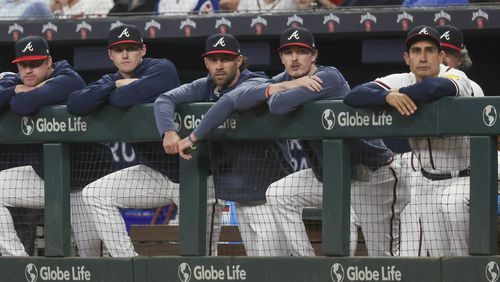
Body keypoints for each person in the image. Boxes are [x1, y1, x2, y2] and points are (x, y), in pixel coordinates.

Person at [246, 27, 409, 257]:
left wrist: (279, 90)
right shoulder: (283, 80)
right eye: (288, 52)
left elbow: (277, 105)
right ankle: (310, 266)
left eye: (301, 52)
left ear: (313, 55)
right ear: (281, 57)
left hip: (372, 175)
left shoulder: (329, 76)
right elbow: (249, 95)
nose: (294, 58)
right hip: (333, 178)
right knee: (278, 193)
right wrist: (282, 86)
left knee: (381, 258)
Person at [66, 24, 202, 257]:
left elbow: (123, 99)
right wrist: (116, 84)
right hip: (156, 173)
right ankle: (128, 265)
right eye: (119, 50)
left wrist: (114, 92)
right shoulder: (111, 78)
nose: (125, 55)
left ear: (143, 50)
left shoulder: (162, 68)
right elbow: (76, 105)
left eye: (131, 48)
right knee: (94, 193)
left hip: (193, 174)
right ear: (110, 54)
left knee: (202, 255)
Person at [154, 33, 293, 256]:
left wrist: (191, 138)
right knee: (259, 269)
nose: (219, 66)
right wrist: (168, 131)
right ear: (206, 62)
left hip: (269, 196)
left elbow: (230, 101)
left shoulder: (256, 81)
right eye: (213, 59)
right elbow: (164, 99)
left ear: (238, 61)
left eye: (225, 59)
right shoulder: (207, 86)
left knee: (275, 268)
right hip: (240, 197)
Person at [344, 25, 473, 256]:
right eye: (416, 51)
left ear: (442, 56)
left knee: (460, 255)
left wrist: (396, 95)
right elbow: (354, 95)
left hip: (463, 179)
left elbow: (435, 88)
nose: (422, 57)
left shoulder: (456, 76)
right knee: (438, 257)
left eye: (430, 50)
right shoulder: (402, 79)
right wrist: (387, 96)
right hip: (426, 182)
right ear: (407, 58)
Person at [0, 35, 88, 256]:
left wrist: (21, 93)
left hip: (84, 183)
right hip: (45, 179)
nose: (29, 70)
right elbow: (16, 96)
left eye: (35, 64)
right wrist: (13, 90)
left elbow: (23, 104)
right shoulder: (14, 81)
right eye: (23, 65)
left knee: (92, 253)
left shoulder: (69, 78)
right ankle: (18, 262)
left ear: (49, 62)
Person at [435, 24, 484, 96]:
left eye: (448, 53)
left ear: (460, 59)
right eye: (437, 52)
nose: (442, 57)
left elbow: (436, 88)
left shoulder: (473, 87)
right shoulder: (415, 79)